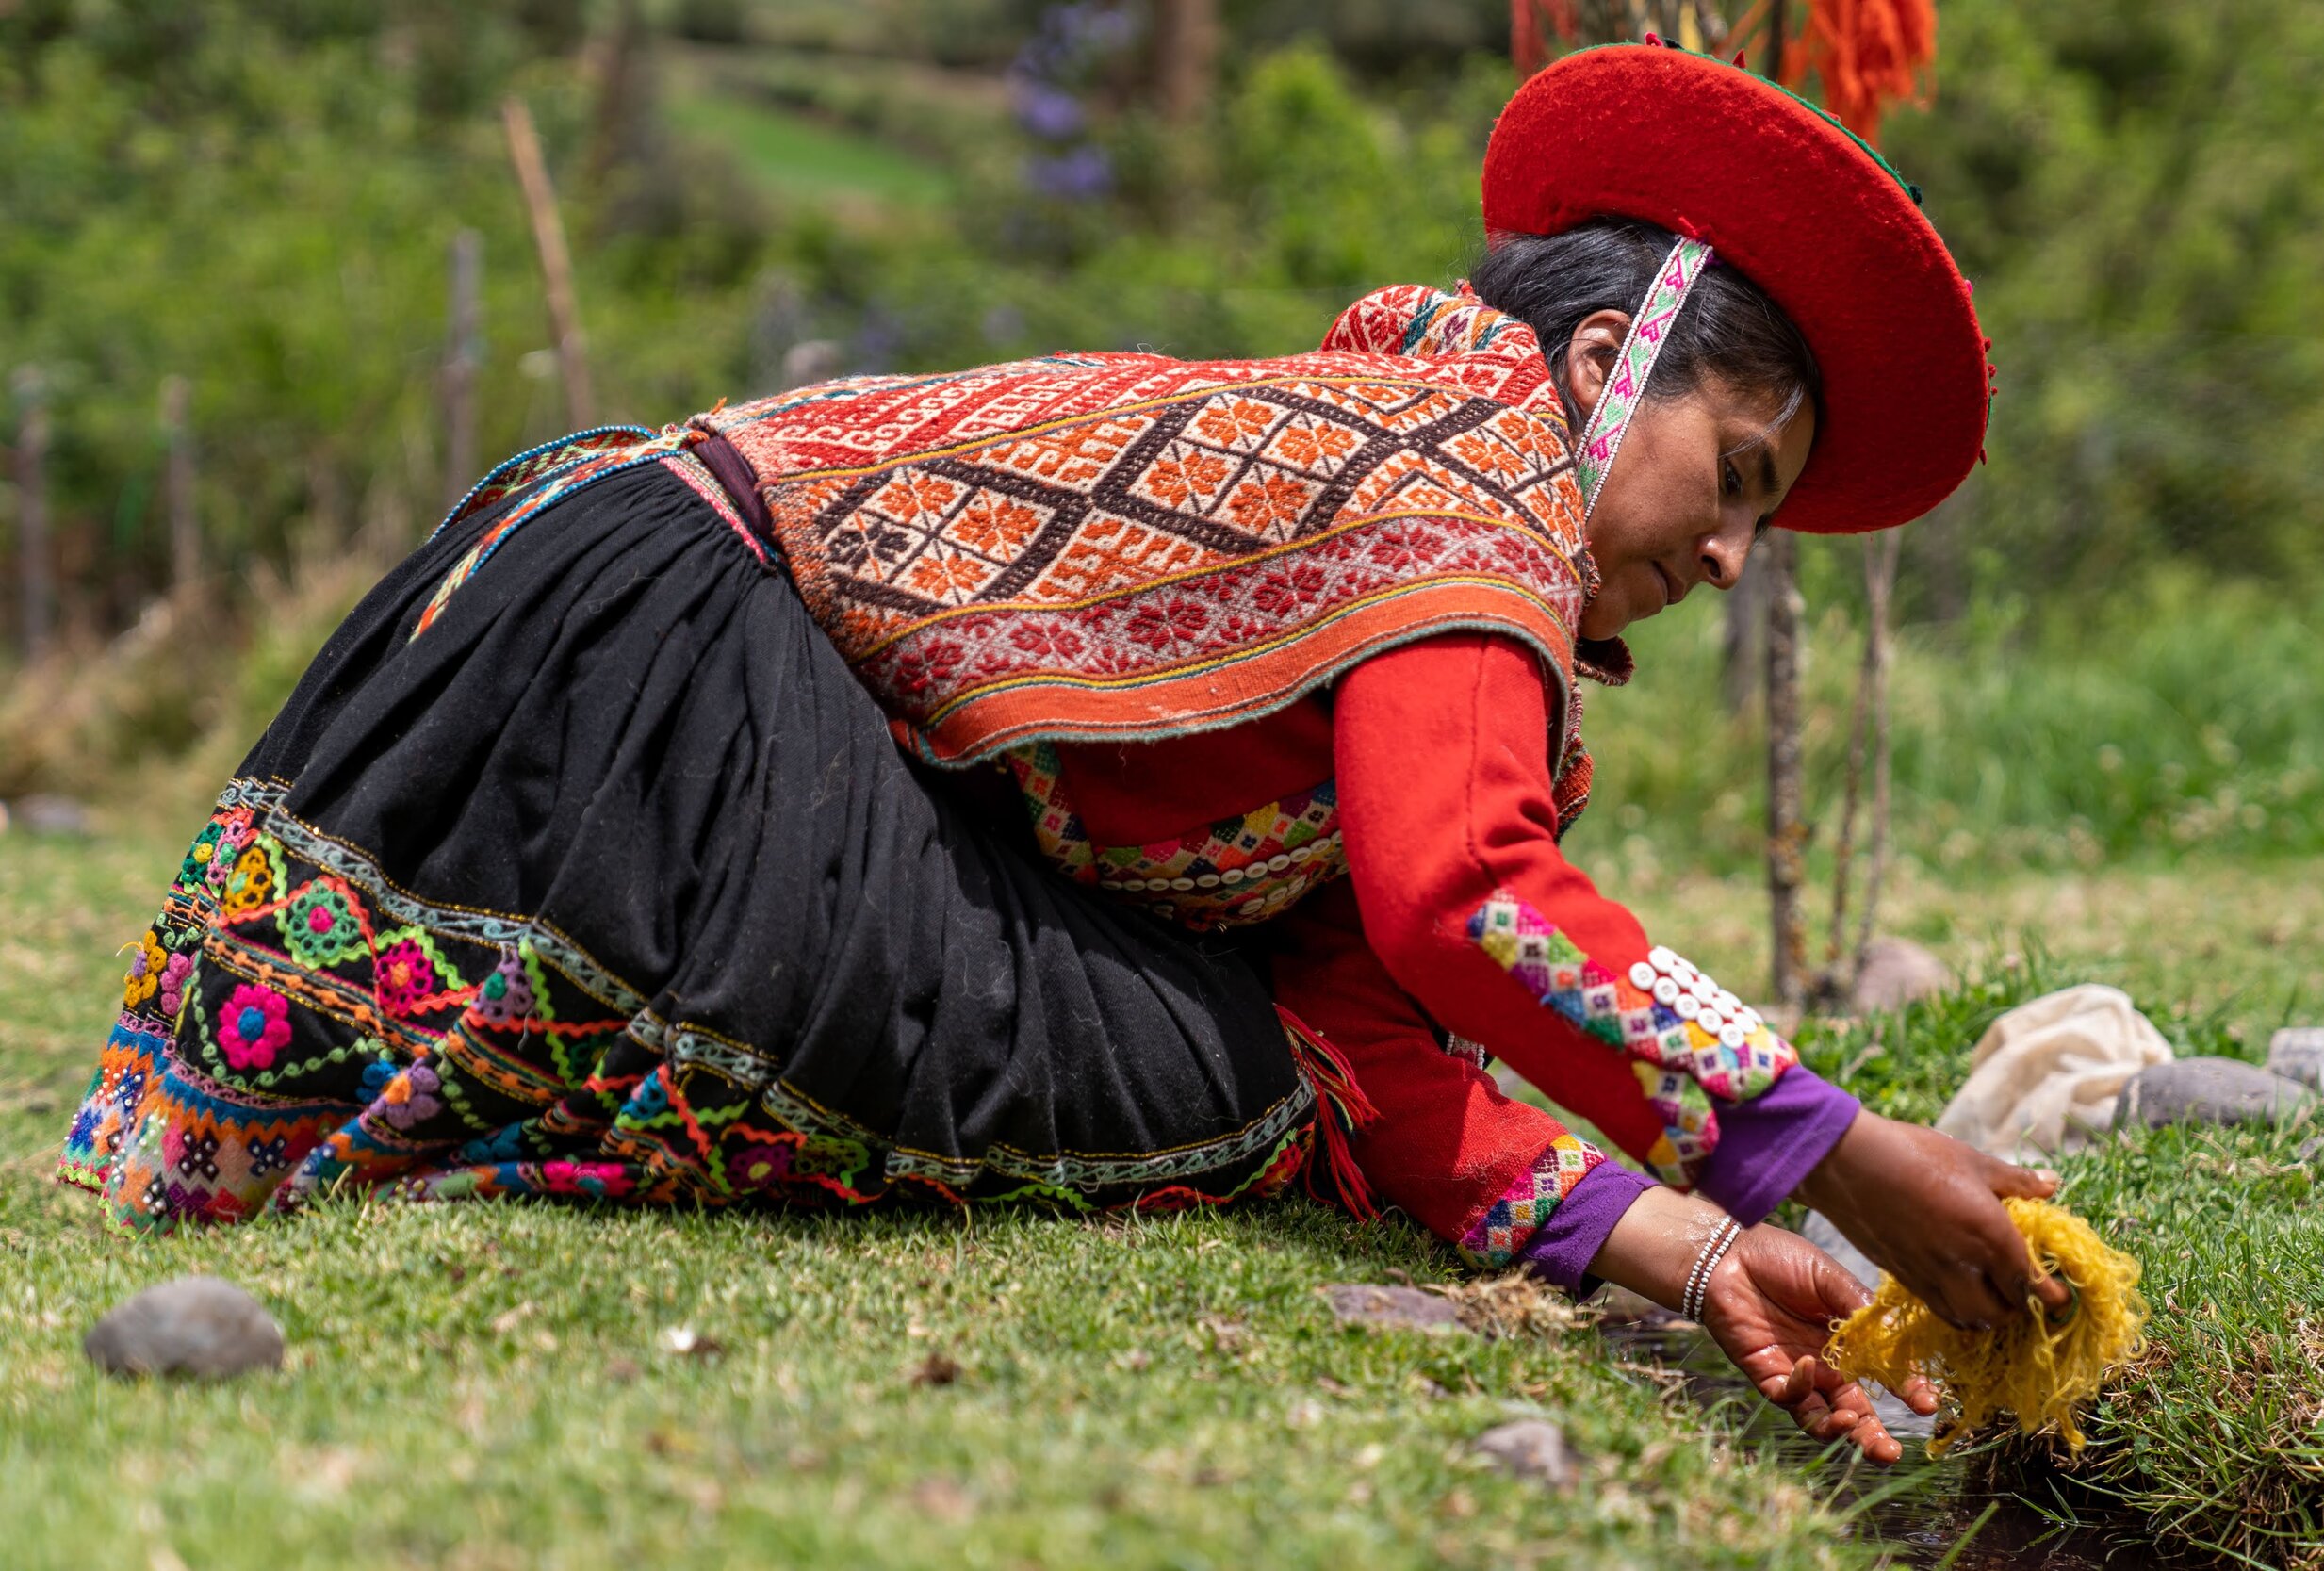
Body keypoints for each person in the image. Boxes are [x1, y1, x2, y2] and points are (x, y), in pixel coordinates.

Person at [60, 42, 2067, 1462]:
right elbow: (1467, 902)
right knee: (1187, 1073)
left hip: (604, 633)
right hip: (662, 678)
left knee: (1243, 1051)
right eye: (1732, 477)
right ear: (1593, 369)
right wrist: (1832, 1155)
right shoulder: (1465, 477)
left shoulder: (1411, 521)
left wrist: (1702, 1251)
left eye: (1758, 524)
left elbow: (1374, 1029)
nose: (1726, 558)